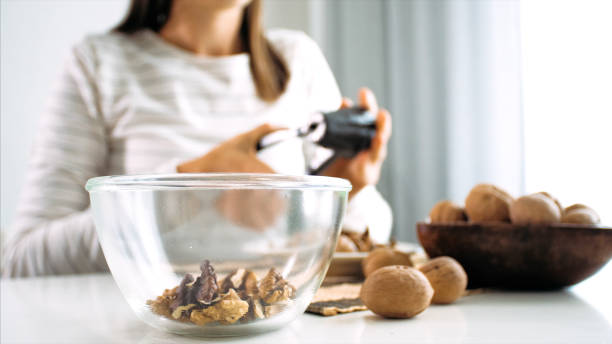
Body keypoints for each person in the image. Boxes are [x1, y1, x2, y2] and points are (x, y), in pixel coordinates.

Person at [2, 0, 392, 277]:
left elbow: (370, 236)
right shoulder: (98, 64)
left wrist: (345, 189)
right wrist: (191, 184)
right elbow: (23, 258)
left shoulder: (298, 59)